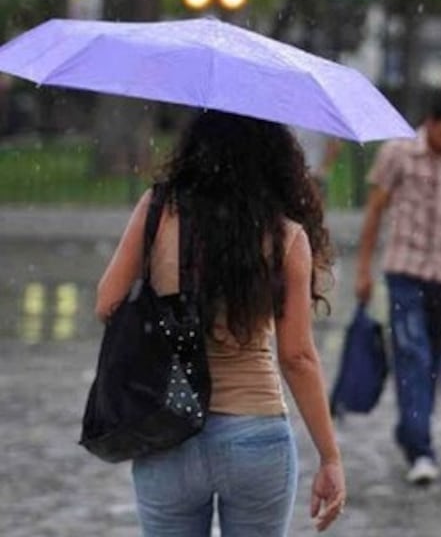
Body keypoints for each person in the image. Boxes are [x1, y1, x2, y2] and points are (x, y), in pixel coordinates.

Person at [95, 112, 346, 535]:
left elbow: (108, 303)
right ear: (274, 156)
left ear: (195, 146)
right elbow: (297, 357)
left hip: (168, 428)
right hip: (255, 434)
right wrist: (330, 457)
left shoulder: (158, 210)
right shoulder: (286, 236)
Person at [355, 90, 441, 485]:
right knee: (412, 355)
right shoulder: (397, 153)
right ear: (431, 122)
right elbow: (375, 210)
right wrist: (363, 269)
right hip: (405, 272)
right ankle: (421, 448)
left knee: (433, 361)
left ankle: (411, 429)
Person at [294, 127, 342, 199]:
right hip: (299, 172)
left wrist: (324, 166)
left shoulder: (324, 123)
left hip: (316, 173)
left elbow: (335, 144)